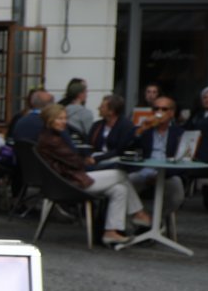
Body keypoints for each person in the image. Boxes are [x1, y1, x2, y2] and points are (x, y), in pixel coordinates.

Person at [34, 103, 150, 245]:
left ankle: (111, 232)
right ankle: (138, 213)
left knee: (119, 189)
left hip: (66, 180)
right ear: (49, 119)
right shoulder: (53, 140)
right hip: (70, 182)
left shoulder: (50, 136)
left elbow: (72, 160)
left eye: (65, 118)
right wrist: (88, 161)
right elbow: (76, 163)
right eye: (59, 118)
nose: (64, 122)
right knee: (120, 174)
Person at [131, 95, 189, 210]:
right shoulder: (145, 130)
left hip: (168, 173)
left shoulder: (179, 133)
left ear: (172, 113)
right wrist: (141, 130)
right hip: (144, 171)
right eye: (156, 109)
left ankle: (159, 218)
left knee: (177, 196)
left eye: (164, 109)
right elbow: (127, 147)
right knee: (124, 186)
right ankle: (139, 215)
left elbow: (184, 161)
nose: (159, 112)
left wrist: (163, 175)